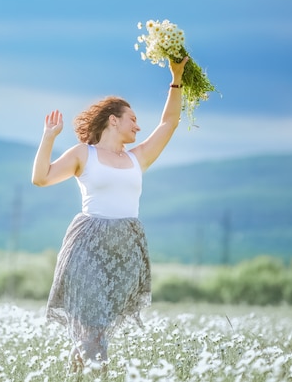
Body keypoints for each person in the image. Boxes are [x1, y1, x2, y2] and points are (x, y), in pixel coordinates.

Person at [31, 57, 189, 372]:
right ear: (113, 120)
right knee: (91, 325)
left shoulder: (138, 158)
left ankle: (77, 375)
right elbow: (42, 178)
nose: (138, 125)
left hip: (125, 247)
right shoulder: (82, 154)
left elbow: (168, 123)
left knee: (98, 328)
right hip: (87, 244)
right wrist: (49, 137)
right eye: (132, 118)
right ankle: (98, 374)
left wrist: (177, 78)